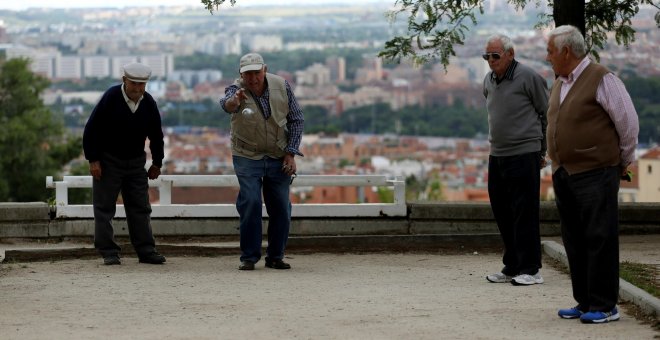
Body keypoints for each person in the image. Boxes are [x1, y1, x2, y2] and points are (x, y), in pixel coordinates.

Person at [545, 25, 639, 324]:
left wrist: (623, 160)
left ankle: (604, 304)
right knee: (574, 239)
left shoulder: (602, 78)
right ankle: (584, 300)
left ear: (566, 51)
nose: (547, 58)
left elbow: (627, 122)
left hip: (596, 171)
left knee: (599, 237)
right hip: (565, 172)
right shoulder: (560, 83)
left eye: (550, 51)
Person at [219, 52, 304, 271]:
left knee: (281, 207)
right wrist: (234, 102)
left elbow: (296, 119)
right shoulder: (235, 90)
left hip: (278, 153)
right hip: (247, 154)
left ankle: (276, 256)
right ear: (241, 74)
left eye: (256, 73)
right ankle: (249, 256)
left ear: (264, 69)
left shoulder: (281, 86)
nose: (253, 78)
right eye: (248, 74)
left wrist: (291, 152)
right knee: (251, 203)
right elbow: (226, 104)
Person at [83, 62, 166, 266]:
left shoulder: (149, 103)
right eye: (133, 84)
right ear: (124, 81)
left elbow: (156, 135)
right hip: (108, 160)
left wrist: (157, 162)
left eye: (142, 85)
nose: (137, 89)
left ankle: (146, 250)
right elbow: (91, 130)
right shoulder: (111, 98)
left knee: (140, 207)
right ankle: (108, 251)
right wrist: (93, 160)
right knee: (104, 208)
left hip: (136, 162)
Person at [482, 34, 549, 286]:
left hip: (524, 152)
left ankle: (531, 269)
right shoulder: (488, 80)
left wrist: (543, 151)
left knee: (525, 211)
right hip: (497, 153)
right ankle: (512, 265)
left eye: (495, 55)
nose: (490, 60)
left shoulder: (529, 77)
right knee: (502, 210)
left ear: (510, 54)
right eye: (487, 56)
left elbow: (547, 113)